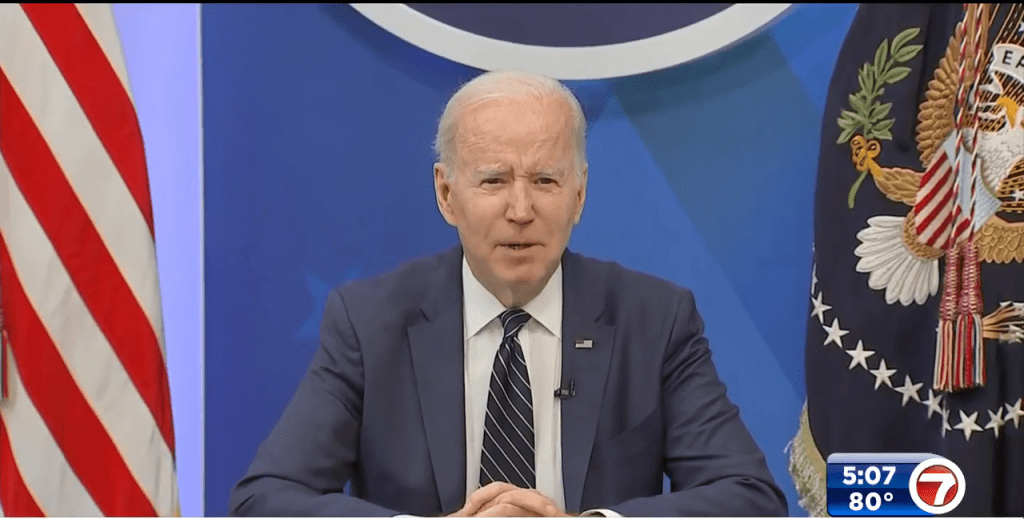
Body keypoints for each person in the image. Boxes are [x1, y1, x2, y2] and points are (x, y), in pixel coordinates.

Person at [229, 70, 787, 517]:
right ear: (447, 194)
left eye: (545, 180)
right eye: (494, 180)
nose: (521, 210)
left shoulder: (655, 320)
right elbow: (265, 500)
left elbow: (749, 499)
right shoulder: (369, 322)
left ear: (579, 195)